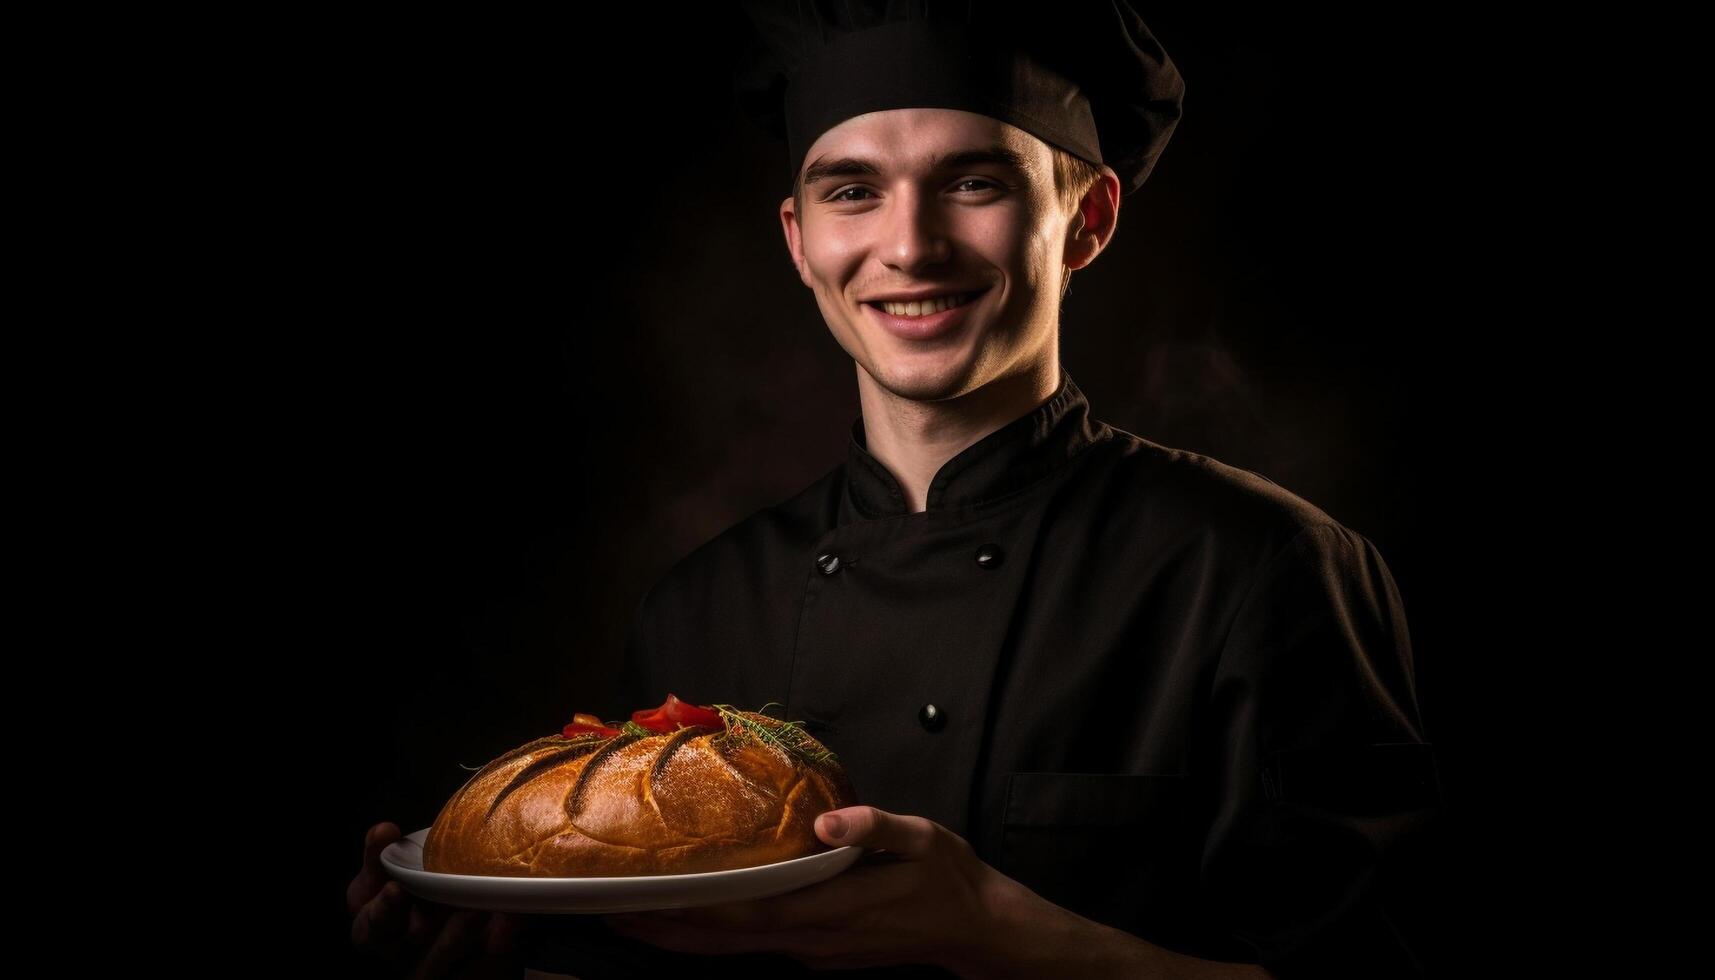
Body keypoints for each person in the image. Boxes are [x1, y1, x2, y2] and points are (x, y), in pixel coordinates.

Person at [349, 3, 1443, 977]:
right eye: (852, 191)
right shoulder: (697, 603)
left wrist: (1002, 935)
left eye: (973, 181)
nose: (908, 246)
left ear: (1088, 219)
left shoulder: (1264, 570)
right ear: (800, 240)